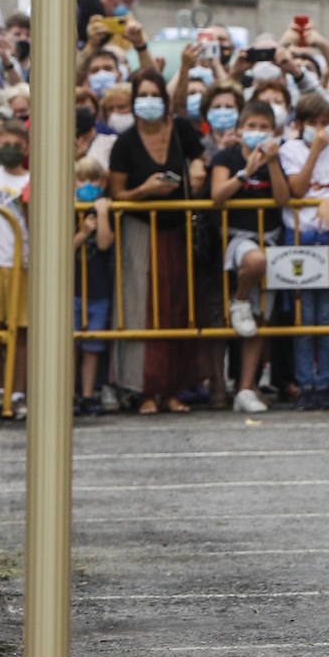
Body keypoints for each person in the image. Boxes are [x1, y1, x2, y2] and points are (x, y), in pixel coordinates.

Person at [107, 67, 207, 415]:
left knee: (177, 306)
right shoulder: (125, 142)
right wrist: (145, 191)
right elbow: (117, 193)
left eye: (155, 95)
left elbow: (199, 156)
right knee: (140, 308)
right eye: (142, 96)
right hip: (140, 230)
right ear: (133, 102)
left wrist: (197, 167)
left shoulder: (180, 128)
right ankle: (144, 390)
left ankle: (174, 390)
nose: (149, 102)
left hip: (177, 230)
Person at [209, 100, 290, 413]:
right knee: (255, 263)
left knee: (259, 319)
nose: (257, 133)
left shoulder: (275, 159)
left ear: (274, 131)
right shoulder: (226, 157)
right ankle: (239, 298)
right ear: (240, 130)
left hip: (269, 236)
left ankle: (245, 388)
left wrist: (271, 164)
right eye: (252, 126)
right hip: (238, 238)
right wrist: (246, 172)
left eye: (264, 127)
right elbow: (217, 195)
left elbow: (282, 199)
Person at [280, 93, 329, 410]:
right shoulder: (290, 150)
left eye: (325, 123)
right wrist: (314, 152)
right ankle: (305, 383)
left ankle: (325, 382)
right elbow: (297, 189)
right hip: (300, 235)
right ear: (299, 125)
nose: (320, 130)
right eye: (312, 123)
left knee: (328, 314)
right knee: (303, 314)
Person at [0, 121, 30, 419]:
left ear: (25, 148)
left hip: (22, 263)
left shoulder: (31, 180)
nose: (9, 149)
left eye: (16, 144)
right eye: (4, 144)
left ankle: (18, 391)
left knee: (23, 332)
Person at [72, 157, 113, 415]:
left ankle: (88, 394)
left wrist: (103, 213)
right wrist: (82, 232)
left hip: (98, 290)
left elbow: (105, 243)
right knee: (71, 345)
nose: (87, 184)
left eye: (93, 180)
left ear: (103, 183)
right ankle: (69, 394)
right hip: (72, 289)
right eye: (82, 179)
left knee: (92, 346)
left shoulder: (103, 208)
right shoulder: (68, 209)